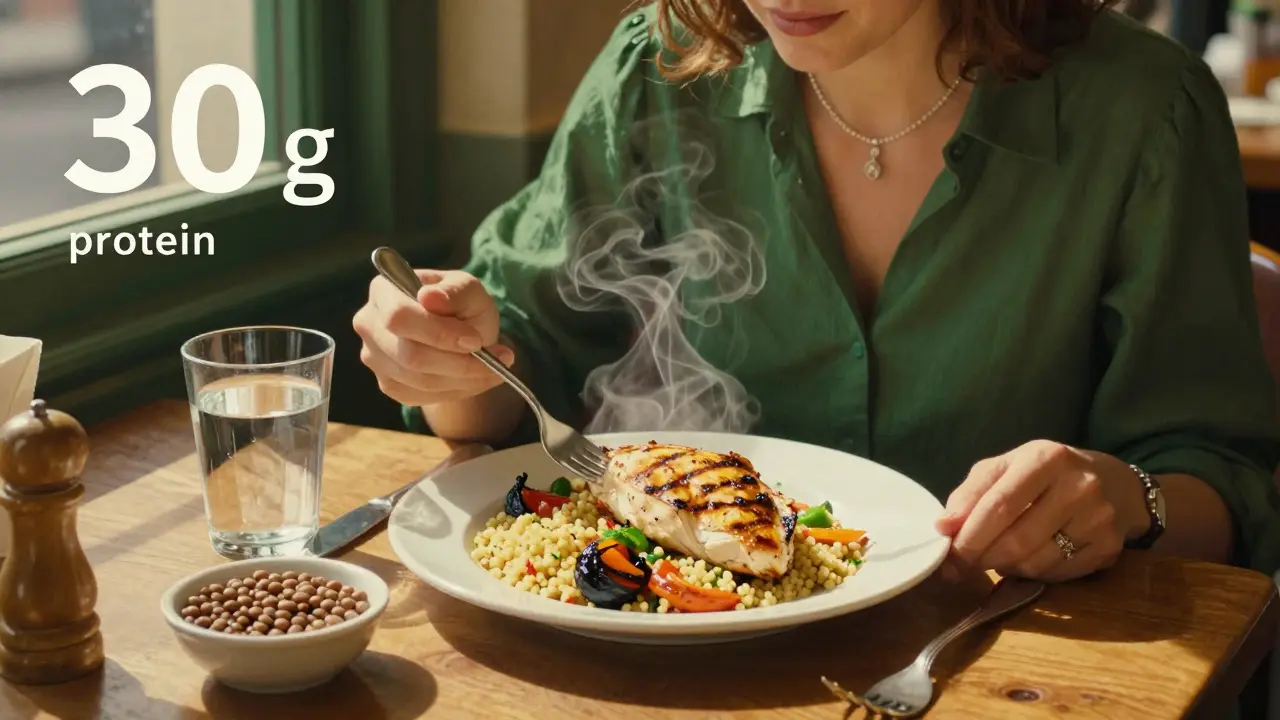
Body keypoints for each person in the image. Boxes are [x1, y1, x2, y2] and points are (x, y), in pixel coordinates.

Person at [353, 0, 1280, 584]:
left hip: (1007, 656)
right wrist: (445, 363)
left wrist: (1127, 499)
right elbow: (517, 372)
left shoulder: (1145, 109)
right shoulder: (659, 64)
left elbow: (1225, 485)